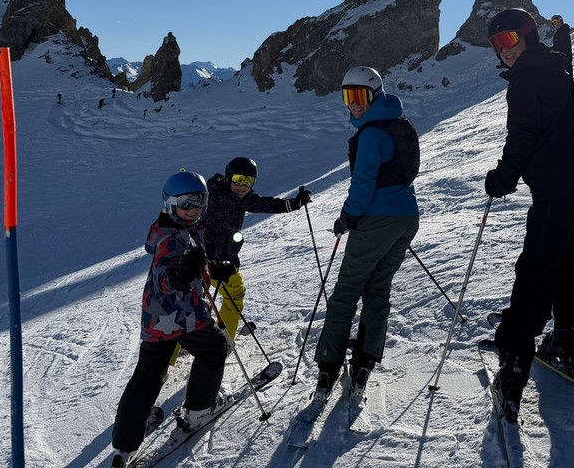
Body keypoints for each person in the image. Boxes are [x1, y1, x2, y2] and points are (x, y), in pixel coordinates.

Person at [483, 8, 574, 422]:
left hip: (560, 192)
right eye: (496, 45)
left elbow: (522, 136)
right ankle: (567, 343)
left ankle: (514, 368)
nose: (503, 52)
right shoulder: (555, 70)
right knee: (571, 263)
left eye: (508, 41)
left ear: (526, 37)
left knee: (537, 272)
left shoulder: (526, 79)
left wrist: (501, 179)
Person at [109, 171, 231, 468]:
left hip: (156, 316)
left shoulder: (177, 227)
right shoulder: (170, 238)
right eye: (184, 202)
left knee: (149, 373)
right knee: (215, 349)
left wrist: (211, 270)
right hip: (183, 314)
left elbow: (192, 262)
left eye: (198, 201)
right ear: (169, 204)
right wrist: (180, 275)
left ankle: (125, 443)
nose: (192, 208)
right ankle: (199, 410)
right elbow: (168, 274)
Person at [313, 66, 420, 404]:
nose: (354, 105)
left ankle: (329, 363)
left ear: (375, 94)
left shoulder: (372, 133)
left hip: (375, 219)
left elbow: (364, 182)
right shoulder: (400, 124)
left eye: (359, 97)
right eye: (348, 97)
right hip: (405, 217)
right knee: (377, 288)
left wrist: (348, 216)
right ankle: (365, 359)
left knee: (346, 291)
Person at [203, 157, 313, 340]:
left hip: (225, 260)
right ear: (229, 177)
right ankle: (222, 341)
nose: (242, 186)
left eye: (248, 181)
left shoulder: (240, 198)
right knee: (213, 298)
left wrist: (295, 204)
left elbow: (266, 204)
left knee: (204, 300)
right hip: (207, 261)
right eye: (239, 179)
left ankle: (216, 338)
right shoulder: (212, 196)